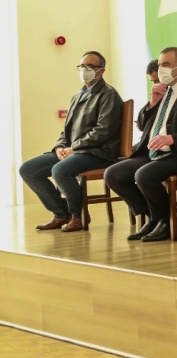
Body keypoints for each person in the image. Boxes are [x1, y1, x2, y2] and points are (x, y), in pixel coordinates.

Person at [104, 47, 177, 241]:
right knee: (113, 174)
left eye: (165, 65)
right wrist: (151, 103)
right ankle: (157, 218)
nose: (160, 70)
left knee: (144, 175)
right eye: (159, 65)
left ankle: (164, 222)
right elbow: (141, 124)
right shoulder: (163, 90)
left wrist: (174, 138)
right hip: (153, 152)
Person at [20, 51, 124, 232]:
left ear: (102, 70)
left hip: (98, 152)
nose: (85, 70)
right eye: (82, 66)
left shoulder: (108, 94)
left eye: (90, 66)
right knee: (28, 170)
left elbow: (104, 130)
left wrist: (74, 148)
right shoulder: (77, 96)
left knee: (60, 170)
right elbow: (66, 129)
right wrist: (60, 146)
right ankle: (62, 213)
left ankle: (79, 215)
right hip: (75, 151)